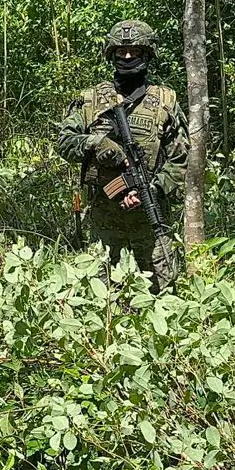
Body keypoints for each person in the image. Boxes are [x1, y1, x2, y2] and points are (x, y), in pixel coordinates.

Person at [55, 19, 188, 293]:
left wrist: (151, 190)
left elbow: (180, 159)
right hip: (104, 215)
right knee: (99, 297)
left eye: (134, 52)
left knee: (164, 293)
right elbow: (64, 142)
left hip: (149, 214)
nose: (127, 57)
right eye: (120, 52)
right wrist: (96, 143)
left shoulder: (165, 101)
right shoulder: (91, 100)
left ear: (147, 54)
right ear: (111, 54)